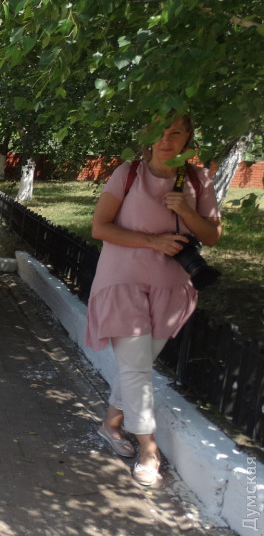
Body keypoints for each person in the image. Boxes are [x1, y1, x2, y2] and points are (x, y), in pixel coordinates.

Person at [85, 114, 223, 486]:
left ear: (189, 138)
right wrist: (153, 241)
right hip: (121, 282)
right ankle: (149, 450)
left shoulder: (199, 180)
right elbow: (100, 227)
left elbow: (211, 236)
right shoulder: (128, 173)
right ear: (147, 136)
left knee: (139, 364)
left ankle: (111, 424)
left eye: (175, 132)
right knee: (137, 369)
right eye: (159, 132)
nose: (166, 139)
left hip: (172, 289)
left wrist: (187, 212)